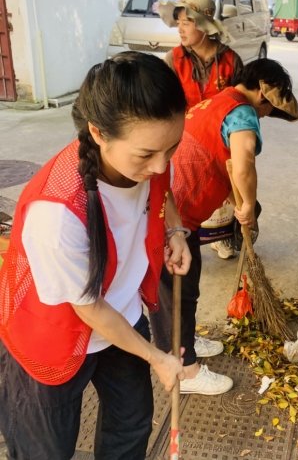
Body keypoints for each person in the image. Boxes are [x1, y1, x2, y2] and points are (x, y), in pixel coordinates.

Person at [0, 52, 191, 460]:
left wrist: (174, 230)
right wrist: (157, 358)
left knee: (131, 427)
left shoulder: (152, 157)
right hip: (52, 334)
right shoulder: (56, 213)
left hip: (122, 317)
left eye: (172, 148)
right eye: (146, 155)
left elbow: (162, 187)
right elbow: (89, 308)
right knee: (46, 451)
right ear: (98, 133)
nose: (161, 166)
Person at [149, 58, 298, 395]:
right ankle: (183, 371)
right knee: (175, 291)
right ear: (263, 92)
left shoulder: (218, 101)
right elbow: (243, 164)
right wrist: (247, 205)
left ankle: (185, 341)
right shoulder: (242, 112)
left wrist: (236, 199)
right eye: (268, 110)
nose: (265, 116)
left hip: (172, 205)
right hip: (171, 215)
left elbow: (221, 160)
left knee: (186, 286)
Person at [159, 0, 244, 261]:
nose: (180, 29)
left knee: (227, 194)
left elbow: (242, 106)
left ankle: (224, 237)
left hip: (222, 145)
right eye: (178, 23)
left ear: (204, 26)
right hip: (185, 144)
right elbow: (165, 106)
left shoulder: (230, 61)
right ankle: (184, 242)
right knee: (188, 198)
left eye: (187, 22)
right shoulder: (173, 60)